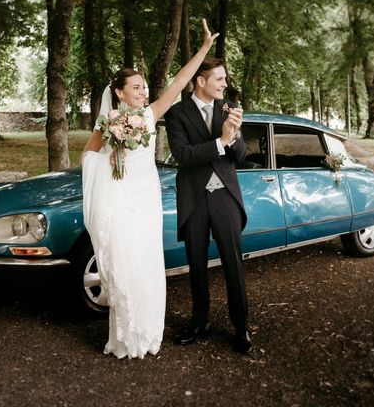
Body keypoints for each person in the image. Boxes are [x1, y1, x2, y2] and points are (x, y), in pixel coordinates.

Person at [81, 19, 218, 359]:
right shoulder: (107, 123)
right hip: (120, 197)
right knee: (126, 265)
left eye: (144, 87)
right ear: (119, 92)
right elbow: (87, 155)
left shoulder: (152, 114)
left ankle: (148, 333)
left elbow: (180, 81)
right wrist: (107, 164)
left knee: (146, 262)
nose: (144, 92)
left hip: (146, 200)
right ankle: (125, 338)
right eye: (137, 88)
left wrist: (203, 48)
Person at [164, 56, 253, 355]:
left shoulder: (228, 108)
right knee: (197, 265)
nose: (225, 84)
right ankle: (199, 322)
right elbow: (183, 155)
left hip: (225, 196)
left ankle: (241, 327)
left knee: (233, 263)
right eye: (219, 79)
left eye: (225, 79)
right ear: (201, 80)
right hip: (193, 199)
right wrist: (220, 141)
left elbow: (241, 155)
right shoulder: (176, 114)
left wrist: (235, 135)